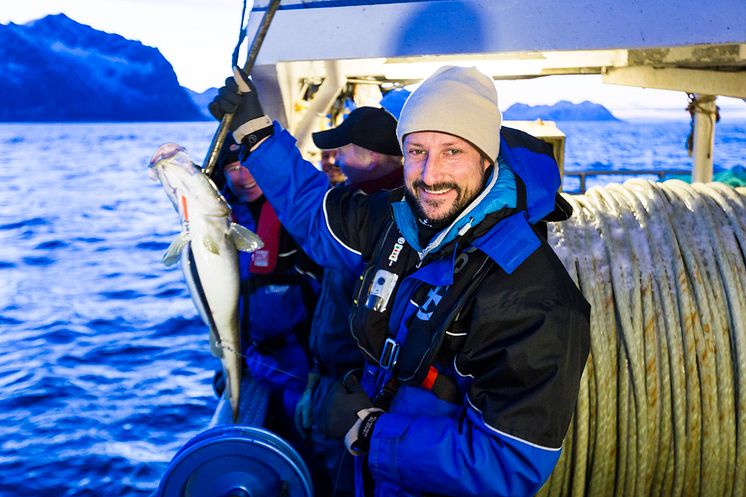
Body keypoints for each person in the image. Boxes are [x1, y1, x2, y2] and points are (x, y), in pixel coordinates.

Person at [209, 65, 591, 497]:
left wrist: (376, 433)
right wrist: (257, 135)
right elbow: (315, 212)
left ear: (486, 158)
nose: (430, 175)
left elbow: (511, 463)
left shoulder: (534, 296)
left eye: (452, 151)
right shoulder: (397, 217)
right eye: (417, 151)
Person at [294, 106, 404, 497]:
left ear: (372, 157)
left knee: (347, 481)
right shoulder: (358, 204)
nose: (334, 157)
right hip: (333, 383)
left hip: (356, 396)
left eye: (343, 149)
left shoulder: (381, 220)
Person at [212, 136, 322, 452]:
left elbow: (330, 304)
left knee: (305, 450)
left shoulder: (298, 219)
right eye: (233, 167)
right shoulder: (223, 222)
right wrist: (228, 365)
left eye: (248, 164)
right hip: (253, 360)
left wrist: (317, 379)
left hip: (299, 366)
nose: (243, 176)